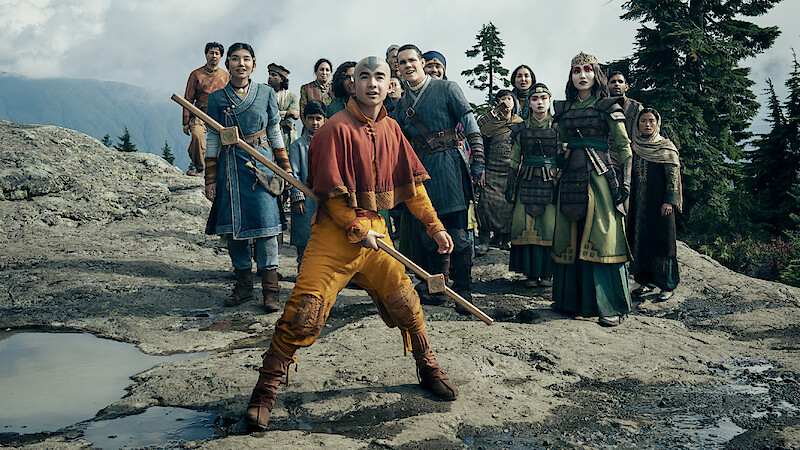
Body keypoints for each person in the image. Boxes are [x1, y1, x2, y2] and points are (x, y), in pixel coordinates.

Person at [246, 56, 459, 430]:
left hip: (378, 231)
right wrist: (360, 229)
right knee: (303, 313)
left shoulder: (393, 129)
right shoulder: (333, 129)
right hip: (336, 235)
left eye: (380, 77)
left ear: (389, 84)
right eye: (364, 77)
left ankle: (427, 367)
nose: (372, 84)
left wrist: (434, 226)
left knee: (407, 304)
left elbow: (413, 186)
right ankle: (265, 391)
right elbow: (329, 194)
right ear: (353, 83)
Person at [204, 43, 294, 314]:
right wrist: (210, 178)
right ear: (227, 64)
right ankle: (243, 287)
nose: (240, 64)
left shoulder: (266, 93)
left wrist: (284, 168)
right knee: (234, 231)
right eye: (234, 59)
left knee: (267, 229)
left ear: (254, 64)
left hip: (262, 166)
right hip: (230, 167)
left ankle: (271, 291)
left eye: (246, 59)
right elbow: (211, 138)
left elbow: (275, 132)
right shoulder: (217, 99)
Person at [393, 44, 485, 308]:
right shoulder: (401, 104)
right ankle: (437, 290)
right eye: (402, 62)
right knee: (427, 235)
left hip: (449, 168)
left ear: (422, 62)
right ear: (397, 68)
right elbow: (398, 141)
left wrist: (478, 161)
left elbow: (470, 124)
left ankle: (464, 292)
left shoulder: (447, 88)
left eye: (412, 60)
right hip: (420, 172)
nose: (408, 66)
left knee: (457, 235)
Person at [551, 52, 633, 327]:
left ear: (596, 75)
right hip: (570, 177)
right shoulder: (563, 110)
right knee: (569, 237)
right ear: (571, 76)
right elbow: (560, 144)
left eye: (587, 70)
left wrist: (626, 183)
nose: (581, 76)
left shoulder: (608, 106)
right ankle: (570, 302)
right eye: (576, 71)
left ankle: (609, 305)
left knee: (602, 236)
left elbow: (624, 147)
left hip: (599, 177)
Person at [505, 83, 557, 287]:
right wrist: (510, 184)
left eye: (544, 98)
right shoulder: (521, 129)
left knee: (549, 226)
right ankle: (530, 274)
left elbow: (564, 153)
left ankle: (547, 274)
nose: (540, 102)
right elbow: (514, 159)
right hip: (526, 180)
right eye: (535, 99)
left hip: (550, 181)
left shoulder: (557, 126)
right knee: (524, 225)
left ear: (550, 101)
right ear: (529, 103)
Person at [627, 108, 682, 301]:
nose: (647, 124)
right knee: (639, 240)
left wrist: (669, 200)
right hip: (639, 203)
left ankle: (667, 285)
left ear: (658, 123)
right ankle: (644, 281)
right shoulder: (634, 146)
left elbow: (673, 176)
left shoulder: (665, 147)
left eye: (651, 121)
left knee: (663, 243)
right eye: (643, 121)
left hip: (661, 204)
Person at [477, 90, 521, 253]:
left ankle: (504, 240)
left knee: (509, 205)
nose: (506, 102)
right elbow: (480, 146)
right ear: (497, 103)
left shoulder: (519, 122)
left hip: (510, 171)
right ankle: (484, 242)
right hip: (491, 171)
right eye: (502, 99)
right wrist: (480, 169)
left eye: (509, 98)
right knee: (485, 204)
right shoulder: (488, 124)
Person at [182, 42, 229, 177]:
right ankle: (201, 168)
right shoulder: (196, 75)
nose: (214, 56)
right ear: (206, 54)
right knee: (197, 136)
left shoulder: (226, 77)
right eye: (211, 53)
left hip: (220, 115)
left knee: (222, 143)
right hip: (200, 113)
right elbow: (188, 99)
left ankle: (218, 171)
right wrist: (186, 121)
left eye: (217, 54)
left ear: (221, 57)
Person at [288, 100, 326, 265]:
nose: (315, 122)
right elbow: (294, 174)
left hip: (326, 201)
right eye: (311, 118)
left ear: (325, 120)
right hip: (305, 202)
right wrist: (298, 197)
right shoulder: (297, 146)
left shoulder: (330, 144)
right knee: (305, 242)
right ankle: (302, 277)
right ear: (303, 119)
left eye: (318, 118)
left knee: (326, 242)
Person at [267, 63, 300, 148]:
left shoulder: (292, 97)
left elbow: (290, 121)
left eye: (273, 75)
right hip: (267, 137)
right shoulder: (264, 93)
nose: (270, 77)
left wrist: (278, 115)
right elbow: (266, 115)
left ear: (281, 79)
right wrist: (288, 113)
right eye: (269, 74)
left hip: (287, 138)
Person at [608, 71, 643, 147]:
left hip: (630, 150)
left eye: (620, 82)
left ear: (626, 87)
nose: (617, 84)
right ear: (607, 86)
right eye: (613, 82)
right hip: (605, 152)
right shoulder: (601, 106)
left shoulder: (636, 107)